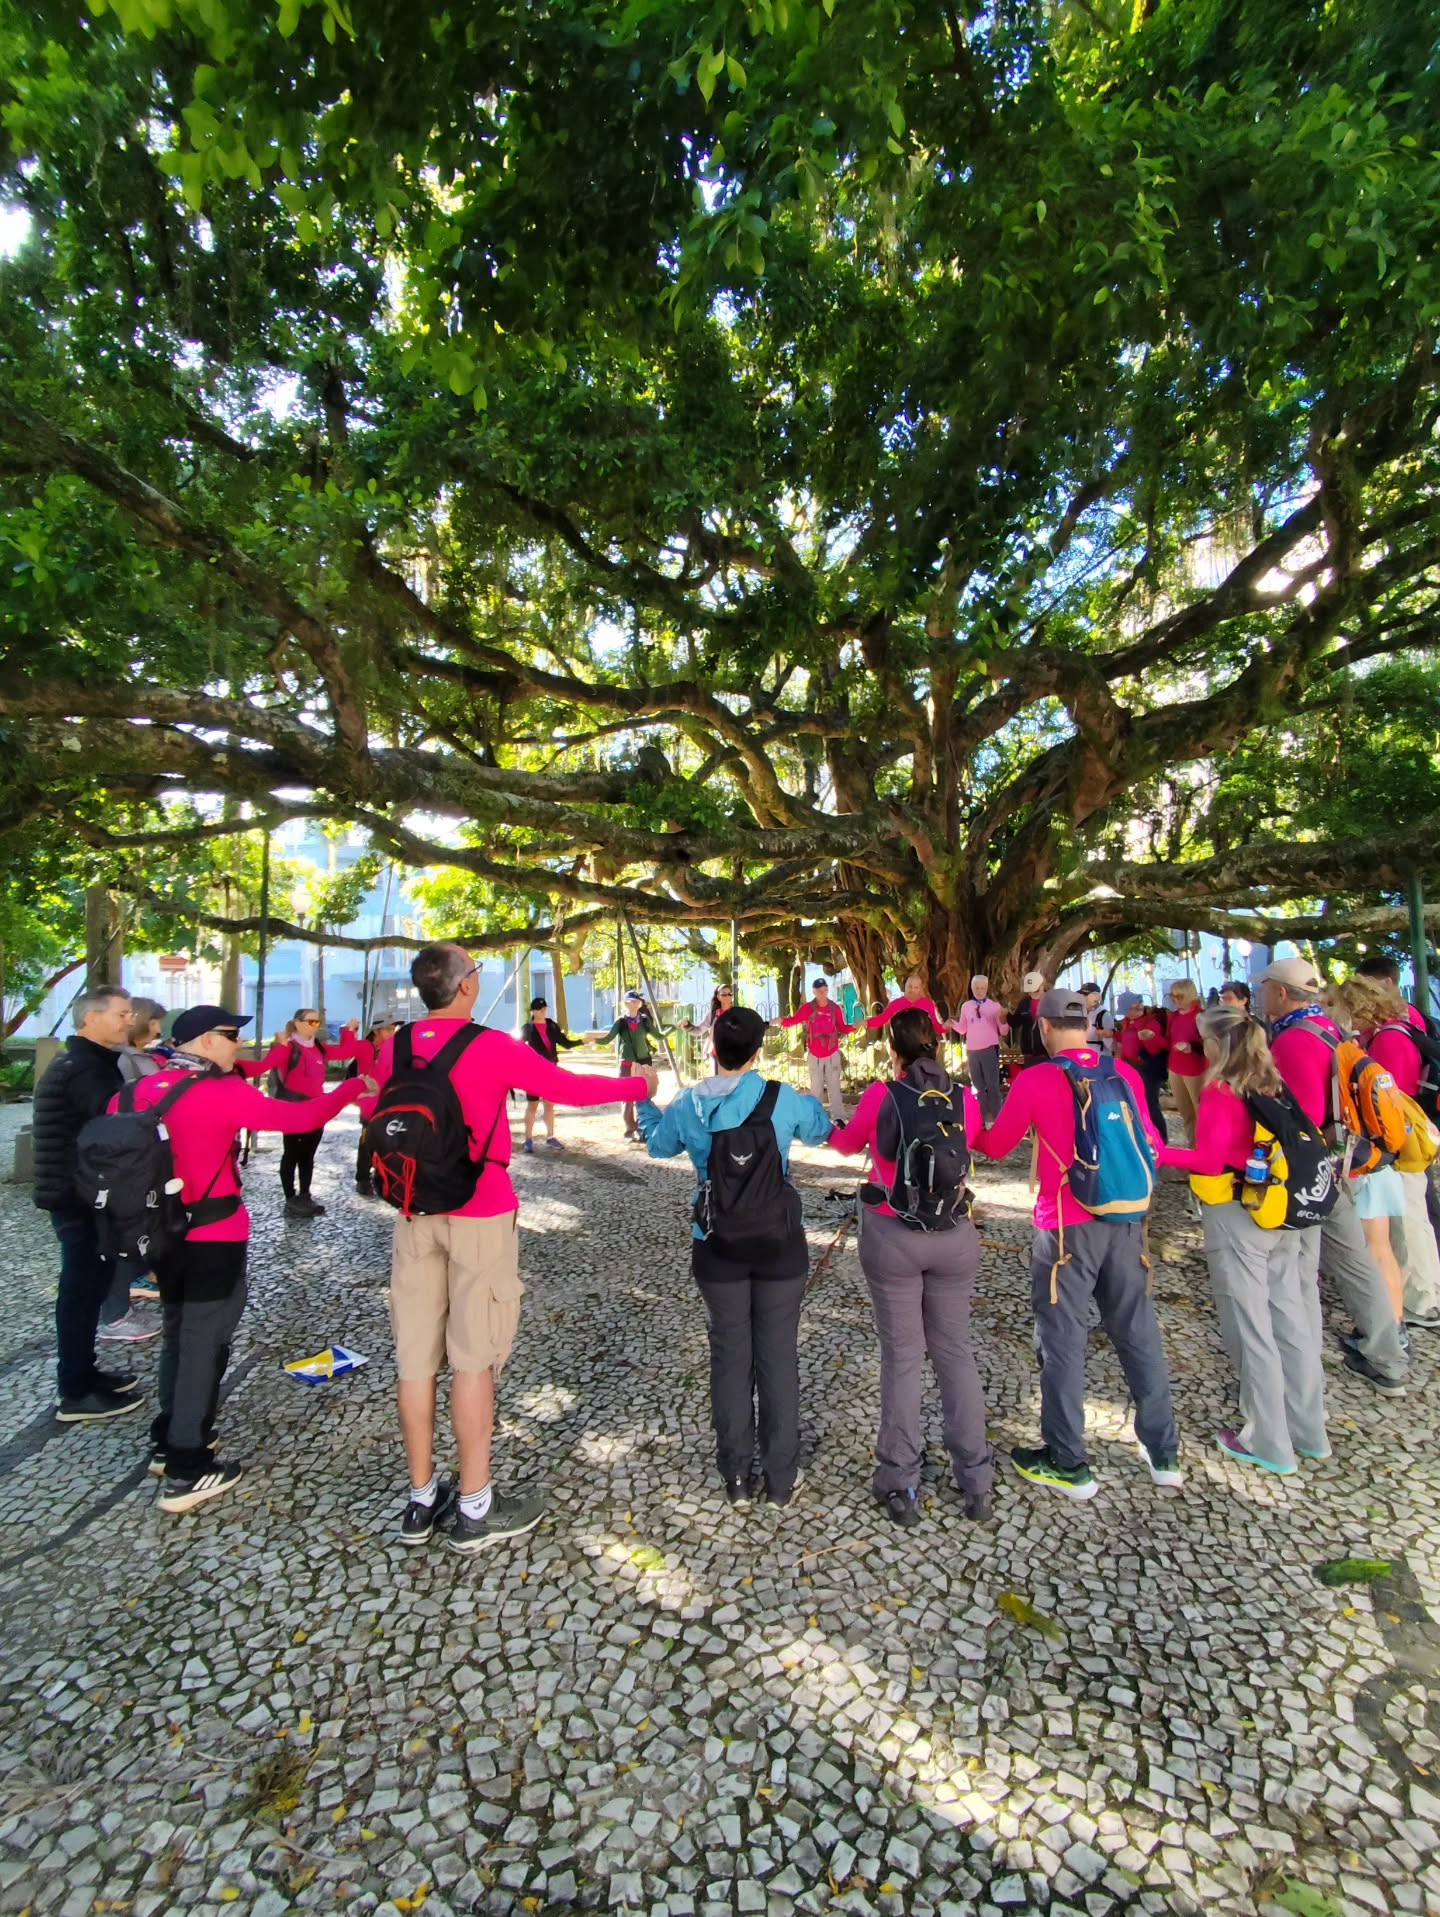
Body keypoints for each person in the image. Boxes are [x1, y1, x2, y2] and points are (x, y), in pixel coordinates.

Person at [371, 944, 654, 1551]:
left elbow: (377, 1111)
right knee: (474, 1355)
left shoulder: (391, 1046)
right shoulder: (491, 1046)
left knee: (415, 1359)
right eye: (474, 969)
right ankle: (475, 1504)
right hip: (480, 1209)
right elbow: (568, 1089)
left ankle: (421, 1500)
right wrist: (638, 1087)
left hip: (412, 1210)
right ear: (464, 987)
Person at [117, 1004, 372, 1510]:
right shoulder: (219, 1091)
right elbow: (299, 1116)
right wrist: (352, 1087)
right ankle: (189, 1465)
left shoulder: (134, 1090)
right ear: (206, 1041)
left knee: (178, 1329)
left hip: (157, 1236)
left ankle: (170, 1437)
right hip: (213, 1233)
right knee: (205, 1342)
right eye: (231, 1035)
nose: (238, 1044)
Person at [970, 988, 1180, 1500]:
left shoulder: (1039, 1077)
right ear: (1086, 1024)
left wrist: (970, 1119)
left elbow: (996, 1145)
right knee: (1138, 1332)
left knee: (1062, 1341)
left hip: (1065, 1227)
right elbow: (1153, 1142)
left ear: (1042, 1028)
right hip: (1129, 1222)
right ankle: (1165, 1455)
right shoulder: (1123, 1074)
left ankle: (1068, 1460)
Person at [637, 1007, 832, 1508]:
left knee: (729, 1358)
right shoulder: (780, 1097)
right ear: (757, 1051)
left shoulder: (687, 1105)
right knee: (777, 1356)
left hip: (716, 1244)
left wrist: (645, 1101)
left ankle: (737, 1476)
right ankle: (781, 1479)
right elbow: (821, 1130)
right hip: (780, 1246)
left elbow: (658, 1148)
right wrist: (810, 1104)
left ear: (712, 1049)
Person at [827, 1009, 993, 1524]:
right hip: (955, 1234)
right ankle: (976, 1478)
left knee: (902, 1356)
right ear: (938, 1048)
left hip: (893, 1235)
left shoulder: (883, 1096)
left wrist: (833, 1127)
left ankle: (900, 1478)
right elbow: (983, 1142)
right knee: (955, 1353)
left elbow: (846, 1144)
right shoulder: (962, 1097)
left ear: (893, 1051)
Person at [1157, 1004, 1329, 1474]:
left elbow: (1209, 1161)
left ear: (1215, 1045)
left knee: (1253, 1329)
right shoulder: (1272, 1082)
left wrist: (1156, 1150)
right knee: (1291, 1319)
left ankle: (1269, 1442)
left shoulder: (1220, 1090)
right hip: (1285, 1212)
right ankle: (1311, 1430)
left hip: (1240, 1212)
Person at [1259, 957, 1409, 1396]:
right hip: (1339, 1159)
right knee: (1355, 1260)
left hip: (1311, 1166)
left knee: (1303, 1263)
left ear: (1282, 992)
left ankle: (1304, 1359)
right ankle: (1387, 1352)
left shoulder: (1294, 1042)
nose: (1263, 993)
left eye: (1267, 986)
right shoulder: (1327, 1028)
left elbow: (1298, 1115)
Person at [31, 984, 140, 1424]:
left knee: (89, 1290)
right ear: (90, 1018)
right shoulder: (84, 1068)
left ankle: (84, 1373)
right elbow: (117, 1121)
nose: (128, 1020)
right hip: (79, 1197)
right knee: (79, 1293)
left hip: (83, 1192)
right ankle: (74, 1391)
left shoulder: (90, 1061)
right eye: (121, 1013)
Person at [1328, 974, 1440, 1331]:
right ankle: (1419, 1295)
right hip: (1401, 1140)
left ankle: (1420, 1301)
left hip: (1399, 1142)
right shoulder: (1387, 1033)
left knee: (1408, 1225)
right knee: (1409, 1219)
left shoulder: (1386, 1040)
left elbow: (1389, 1095)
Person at [97, 996, 173, 1345]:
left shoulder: (143, 1057)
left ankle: (130, 1291)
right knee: (124, 1235)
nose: (158, 1027)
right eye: (154, 1020)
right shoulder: (122, 1062)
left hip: (144, 1157)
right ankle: (114, 1313)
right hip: (129, 1161)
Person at [236, 1010, 334, 1216]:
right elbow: (264, 1066)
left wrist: (349, 1032)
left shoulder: (318, 1047)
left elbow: (345, 1051)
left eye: (318, 1021)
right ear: (297, 1023)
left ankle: (305, 1195)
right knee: (292, 1153)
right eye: (311, 1021)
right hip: (293, 1109)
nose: (315, 1025)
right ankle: (290, 1198)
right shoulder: (289, 1048)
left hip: (316, 1109)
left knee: (308, 1155)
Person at [780, 977, 855, 1123]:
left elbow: (843, 1027)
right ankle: (815, 1118)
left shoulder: (835, 1008)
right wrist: (781, 1021)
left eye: (825, 990)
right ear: (814, 991)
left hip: (832, 1053)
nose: (823, 993)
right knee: (816, 1089)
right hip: (815, 1054)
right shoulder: (808, 1008)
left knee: (834, 1088)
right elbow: (794, 1020)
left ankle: (838, 1118)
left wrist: (855, 1027)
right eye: (820, 991)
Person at [338, 1017, 400, 1193]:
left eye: (393, 1029)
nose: (391, 1033)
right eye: (388, 1029)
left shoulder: (392, 1050)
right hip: (370, 1106)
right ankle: (363, 1179)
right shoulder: (366, 1051)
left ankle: (382, 1176)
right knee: (368, 1143)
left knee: (388, 1142)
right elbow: (351, 1077)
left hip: (388, 1104)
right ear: (377, 1031)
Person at [602, 990, 674, 1140]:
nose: (634, 1004)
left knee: (642, 1097)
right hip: (626, 1064)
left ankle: (643, 1128)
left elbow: (659, 1036)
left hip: (643, 1064)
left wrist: (675, 1027)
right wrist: (590, 1041)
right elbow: (608, 1038)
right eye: (631, 1001)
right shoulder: (621, 1021)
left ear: (639, 1004)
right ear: (626, 1003)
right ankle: (629, 1130)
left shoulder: (645, 1020)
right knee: (627, 1098)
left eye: (636, 1001)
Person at [518, 995, 584, 1152]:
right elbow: (517, 1047)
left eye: (545, 1008)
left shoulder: (552, 1026)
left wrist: (582, 1041)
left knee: (549, 1104)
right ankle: (528, 1139)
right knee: (532, 1105)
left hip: (550, 1071)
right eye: (540, 1009)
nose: (543, 1011)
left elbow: (565, 1042)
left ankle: (550, 1136)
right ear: (534, 1011)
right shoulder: (527, 1029)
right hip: (533, 1073)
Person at [949, 975, 1008, 1127]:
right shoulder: (966, 1006)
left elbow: (1004, 1030)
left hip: (989, 1049)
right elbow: (963, 1029)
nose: (980, 991)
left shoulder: (994, 1006)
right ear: (972, 988)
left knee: (992, 1085)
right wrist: (952, 1024)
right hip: (973, 1051)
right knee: (978, 1086)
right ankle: (984, 1118)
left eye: (982, 988)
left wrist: (1003, 1019)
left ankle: (998, 1117)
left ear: (987, 988)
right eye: (977, 988)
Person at [1117, 997, 1169, 1138]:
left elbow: (1159, 1047)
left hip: (1148, 1068)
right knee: (1136, 1103)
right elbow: (1125, 1041)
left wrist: (1151, 1038)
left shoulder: (1150, 1023)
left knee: (1150, 1104)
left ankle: (1161, 1138)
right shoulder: (1127, 1023)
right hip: (1132, 1067)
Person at [1165, 979, 1205, 1145]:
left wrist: (1192, 1047)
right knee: (1186, 1112)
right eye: (1172, 996)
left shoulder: (1200, 1016)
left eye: (1179, 996)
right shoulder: (1173, 1017)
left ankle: (1204, 1147)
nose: (1175, 1000)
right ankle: (1193, 1144)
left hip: (1195, 1069)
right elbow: (1168, 1040)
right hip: (1175, 1068)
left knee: (1200, 1112)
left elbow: (1208, 1043)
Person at [865, 971, 946, 1040]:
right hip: (902, 1047)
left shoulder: (928, 1004)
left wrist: (948, 1026)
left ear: (920, 988)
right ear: (904, 987)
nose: (912, 990)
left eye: (916, 987)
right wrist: (864, 1023)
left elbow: (937, 1027)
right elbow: (882, 1019)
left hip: (922, 1047)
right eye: (910, 986)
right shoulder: (896, 1004)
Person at [1008, 970, 1049, 1070]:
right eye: (1029, 991)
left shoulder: (1052, 1001)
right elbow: (1015, 1023)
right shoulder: (1024, 1003)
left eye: (1035, 990)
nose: (1032, 994)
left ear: (1042, 985)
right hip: (1029, 1052)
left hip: (1048, 1052)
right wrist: (1007, 1015)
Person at [1079, 982, 1114, 1054]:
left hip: (1100, 1057)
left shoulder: (1104, 1015)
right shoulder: (1081, 1012)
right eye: (1082, 994)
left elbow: (1112, 1045)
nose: (1083, 997)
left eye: (1086, 995)